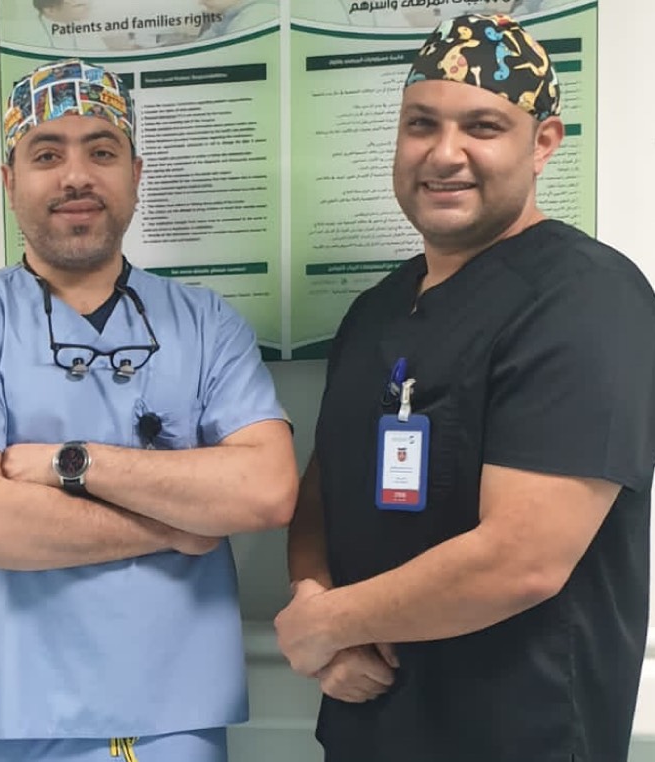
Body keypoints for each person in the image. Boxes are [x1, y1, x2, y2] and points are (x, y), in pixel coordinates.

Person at [0, 58, 298, 762]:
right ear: (10, 181)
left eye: (101, 152)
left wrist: (67, 465)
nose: (76, 176)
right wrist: (178, 524)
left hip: (175, 710)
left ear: (135, 175)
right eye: (47, 154)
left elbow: (265, 490)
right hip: (17, 708)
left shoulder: (208, 325)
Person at [275, 14, 655, 762]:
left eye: (483, 126)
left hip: (522, 734)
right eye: (422, 124)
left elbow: (524, 558)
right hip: (369, 728)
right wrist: (313, 603)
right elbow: (323, 490)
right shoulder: (377, 310)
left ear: (543, 143)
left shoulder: (587, 299)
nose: (444, 153)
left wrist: (332, 623)